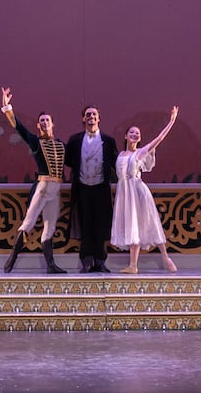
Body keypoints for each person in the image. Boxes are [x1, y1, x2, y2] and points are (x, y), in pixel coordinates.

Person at [0, 87, 67, 274]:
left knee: (50, 225)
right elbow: (18, 127)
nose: (45, 123)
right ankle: (12, 258)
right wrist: (7, 107)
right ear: (39, 125)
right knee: (28, 223)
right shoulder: (36, 142)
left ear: (53, 123)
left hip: (56, 189)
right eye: (42, 121)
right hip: (43, 186)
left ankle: (51, 265)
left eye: (47, 120)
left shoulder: (61, 145)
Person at [111, 105, 179, 273]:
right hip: (125, 193)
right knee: (132, 225)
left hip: (138, 191)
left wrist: (171, 121)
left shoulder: (140, 153)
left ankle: (165, 256)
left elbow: (160, 138)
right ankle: (133, 265)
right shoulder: (120, 155)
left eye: (137, 133)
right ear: (126, 136)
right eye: (132, 132)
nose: (134, 135)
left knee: (150, 222)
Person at [65, 104, 118, 273]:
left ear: (99, 118)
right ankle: (87, 261)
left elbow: (116, 162)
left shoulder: (109, 141)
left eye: (94, 114)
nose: (91, 117)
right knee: (85, 223)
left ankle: (100, 261)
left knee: (100, 224)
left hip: (101, 188)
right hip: (82, 187)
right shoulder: (75, 139)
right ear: (83, 118)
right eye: (88, 114)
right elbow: (68, 160)